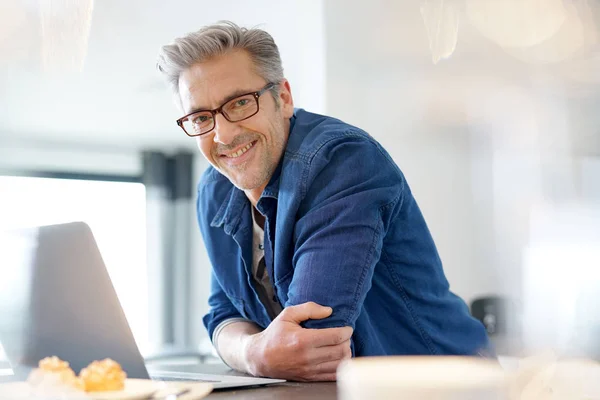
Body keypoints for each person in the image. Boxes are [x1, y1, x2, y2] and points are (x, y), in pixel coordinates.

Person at [156, 21, 491, 382]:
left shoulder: (342, 161)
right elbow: (224, 312)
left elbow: (314, 338)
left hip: (441, 388)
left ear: (283, 98)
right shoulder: (216, 189)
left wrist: (250, 349)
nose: (223, 134)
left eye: (239, 103)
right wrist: (254, 352)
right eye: (201, 117)